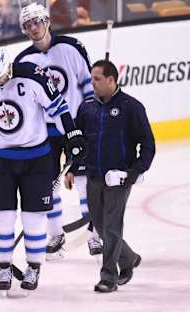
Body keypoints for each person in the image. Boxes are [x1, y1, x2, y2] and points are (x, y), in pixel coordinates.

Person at [0, 45, 85, 292]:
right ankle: (4, 268)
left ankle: (34, 267)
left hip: (37, 159)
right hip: (0, 160)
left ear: (9, 66)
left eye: (0, 75)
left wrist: (72, 134)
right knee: (2, 219)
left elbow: (58, 107)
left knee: (34, 219)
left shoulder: (33, 75)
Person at [15, 2, 102, 260]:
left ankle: (95, 236)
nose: (34, 28)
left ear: (47, 21)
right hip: (45, 132)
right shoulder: (23, 61)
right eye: (28, 25)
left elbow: (88, 85)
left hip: (75, 126)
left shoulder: (72, 47)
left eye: (37, 22)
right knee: (48, 186)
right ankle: (55, 234)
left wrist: (91, 118)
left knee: (85, 183)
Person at [75, 60, 155, 292]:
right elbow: (79, 142)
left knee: (111, 227)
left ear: (112, 80)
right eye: (91, 79)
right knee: (100, 226)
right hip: (93, 176)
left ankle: (108, 277)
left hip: (118, 178)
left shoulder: (132, 107)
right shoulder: (86, 107)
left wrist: (135, 171)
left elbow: (148, 144)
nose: (92, 83)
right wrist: (73, 169)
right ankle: (128, 257)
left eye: (97, 79)